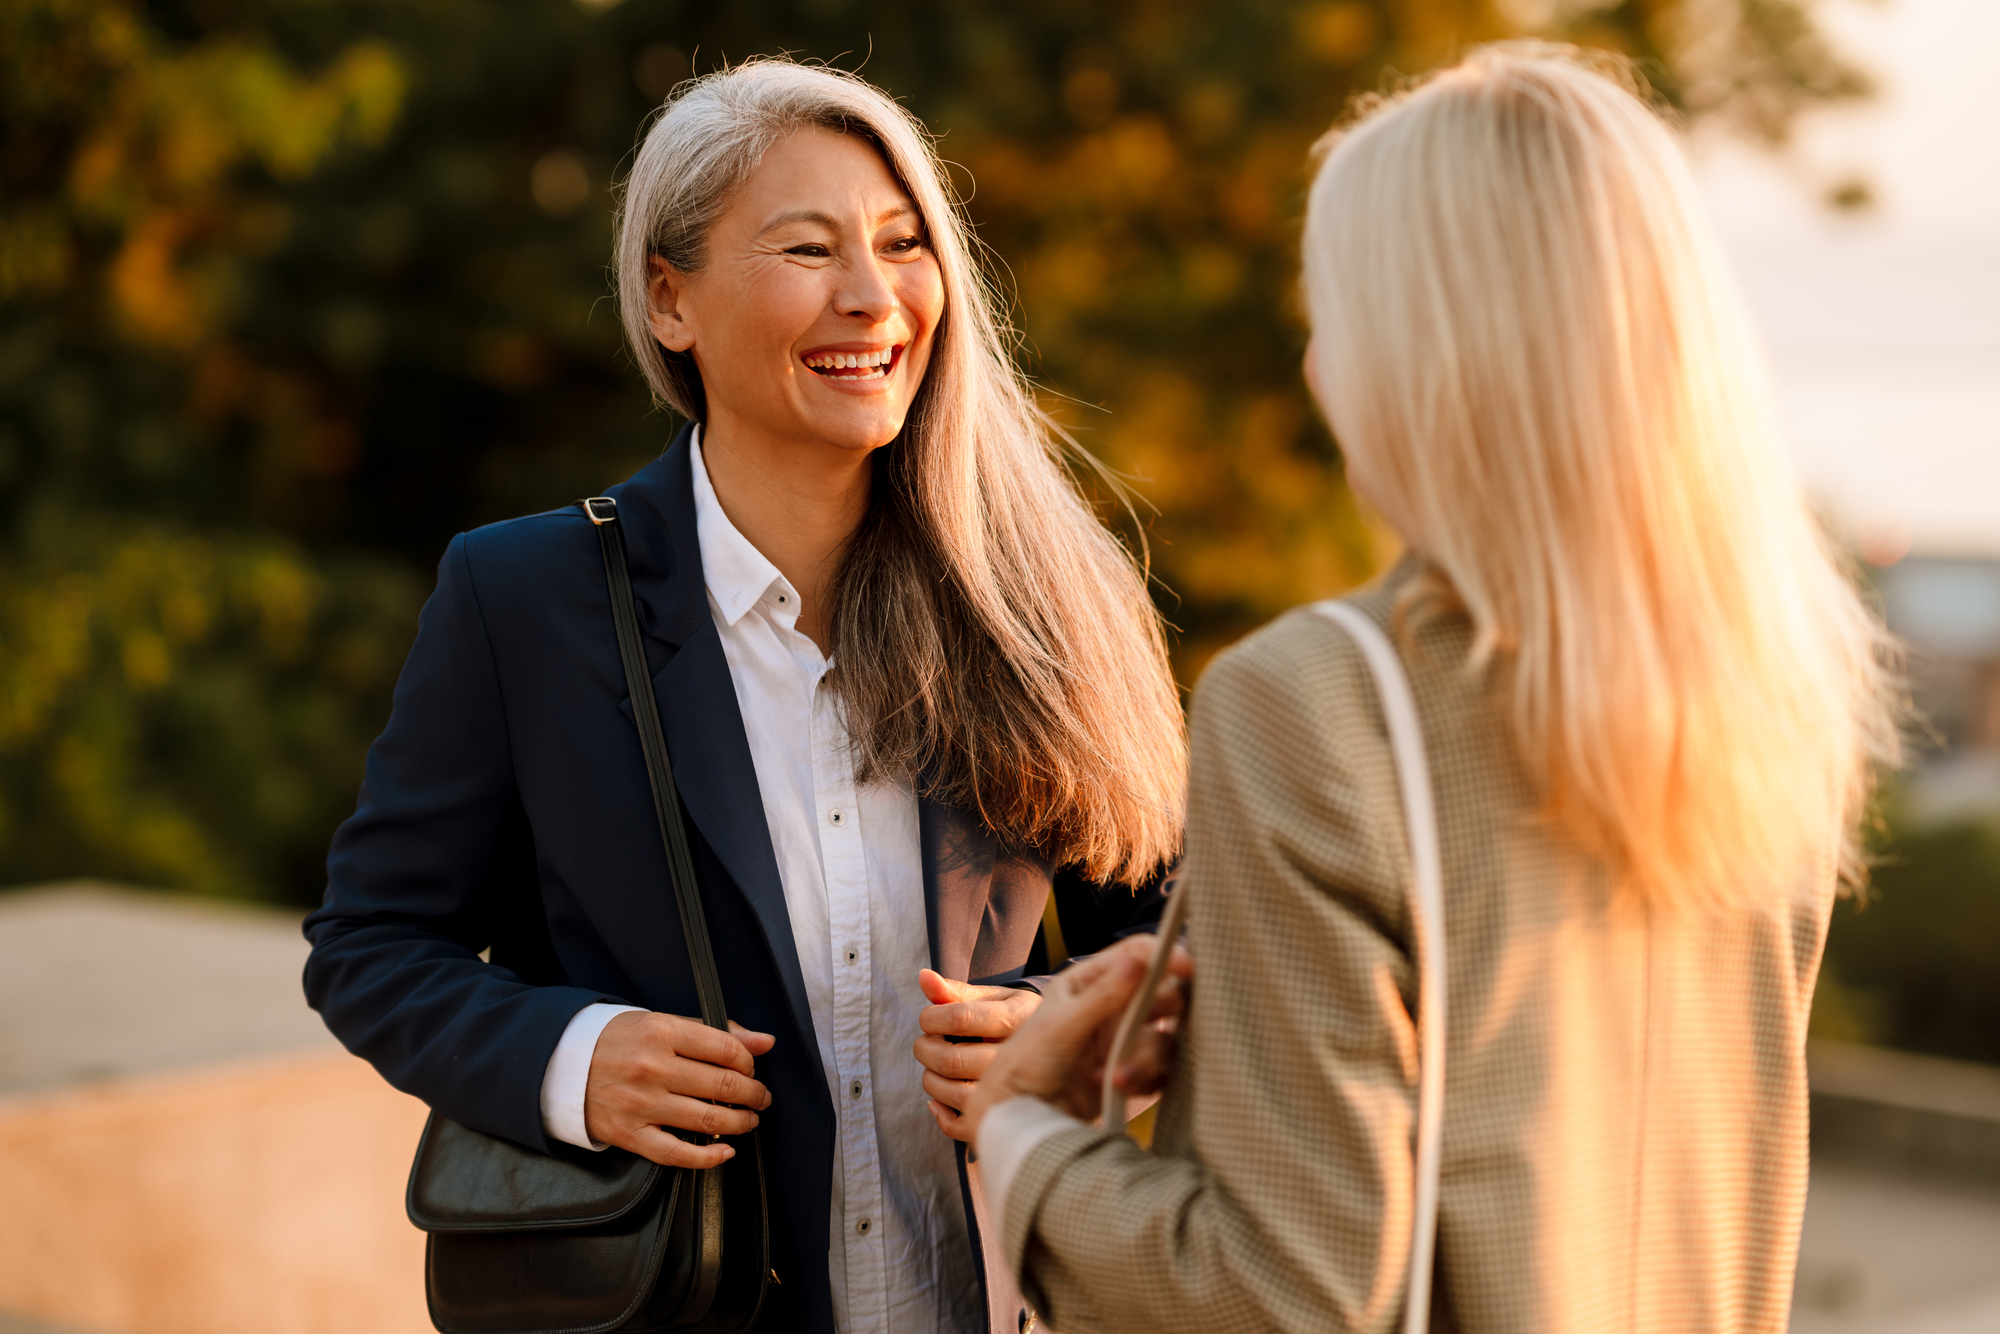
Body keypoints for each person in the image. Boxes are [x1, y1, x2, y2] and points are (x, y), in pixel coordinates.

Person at [958, 45, 1901, 1334]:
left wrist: (1022, 1137)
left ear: (1423, 350)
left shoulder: (1311, 699)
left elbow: (1283, 1294)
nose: (1314, 371)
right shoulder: (1767, 704)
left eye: (1331, 316)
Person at [302, 59, 1186, 1334]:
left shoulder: (1044, 599)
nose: (872, 296)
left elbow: (1178, 944)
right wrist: (571, 1058)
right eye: (805, 247)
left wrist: (1059, 1028)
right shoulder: (522, 597)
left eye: (901, 243)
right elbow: (372, 946)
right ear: (671, 299)